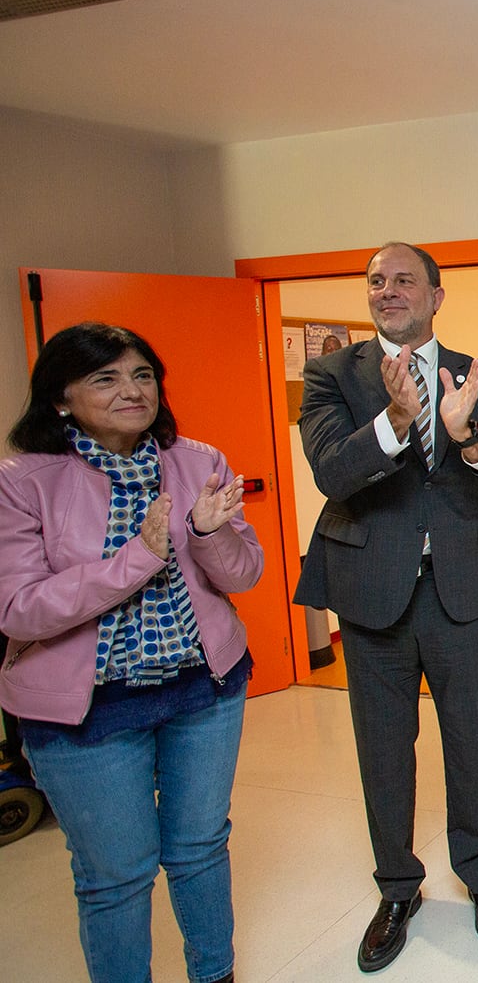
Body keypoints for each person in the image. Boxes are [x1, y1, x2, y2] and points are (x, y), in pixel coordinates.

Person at [294, 241, 478, 973]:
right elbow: (333, 471)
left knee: (471, 740)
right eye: (376, 282)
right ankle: (397, 889)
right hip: (372, 593)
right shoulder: (331, 374)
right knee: (384, 751)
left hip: (460, 587)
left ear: (436, 295)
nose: (387, 291)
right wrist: (396, 420)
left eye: (403, 281)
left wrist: (466, 435)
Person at [0, 323, 261, 983]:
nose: (131, 390)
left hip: (201, 692)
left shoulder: (198, 460)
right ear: (60, 398)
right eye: (105, 378)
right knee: (116, 876)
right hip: (86, 714)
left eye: (142, 375)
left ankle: (214, 973)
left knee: (200, 846)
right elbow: (18, 609)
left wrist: (205, 533)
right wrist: (137, 561)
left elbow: (243, 574)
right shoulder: (22, 481)